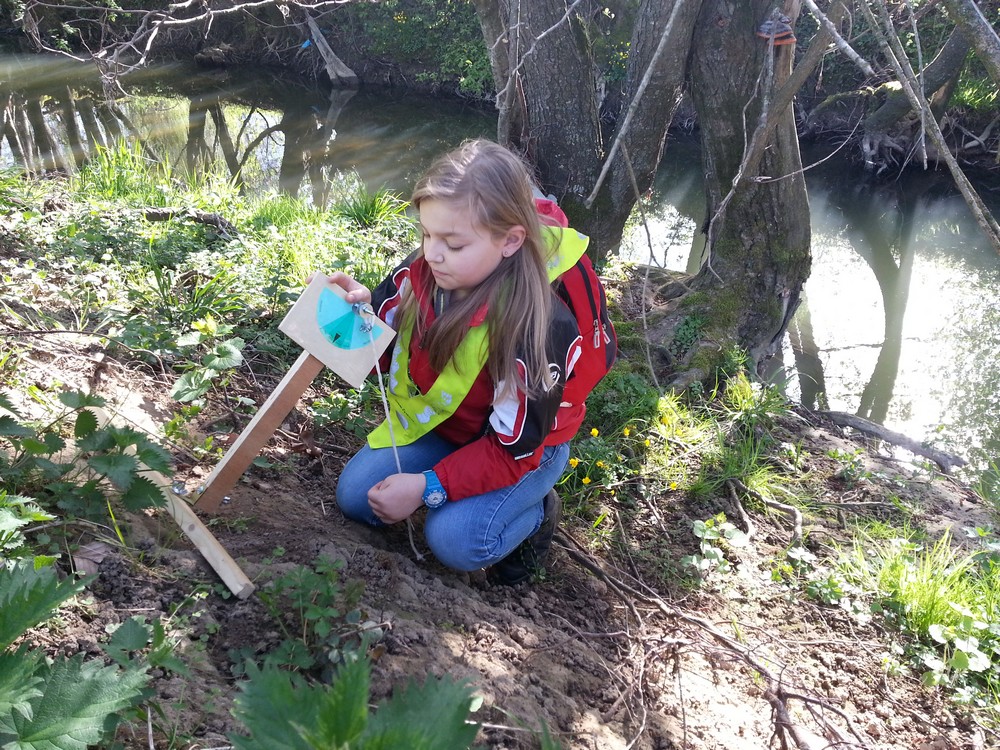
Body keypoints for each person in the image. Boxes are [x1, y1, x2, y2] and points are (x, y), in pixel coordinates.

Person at [329, 139, 594, 585]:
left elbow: (515, 450)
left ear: (510, 240)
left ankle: (536, 516)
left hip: (522, 451)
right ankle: (453, 484)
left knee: (456, 540)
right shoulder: (424, 273)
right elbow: (378, 358)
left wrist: (426, 487)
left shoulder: (537, 327)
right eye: (427, 234)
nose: (432, 254)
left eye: (452, 243)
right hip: (448, 429)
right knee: (356, 497)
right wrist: (357, 318)